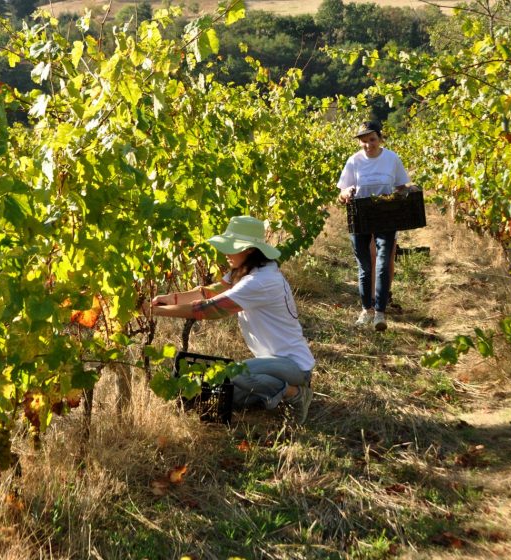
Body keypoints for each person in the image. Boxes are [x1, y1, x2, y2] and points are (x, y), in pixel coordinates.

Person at [146, 216, 314, 424]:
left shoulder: (260, 281)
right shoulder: (247, 271)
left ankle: (296, 394)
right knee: (232, 396)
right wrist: (171, 298)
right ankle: (272, 391)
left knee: (232, 374)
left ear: (250, 249)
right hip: (272, 362)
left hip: (294, 366)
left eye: (232, 246)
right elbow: (209, 293)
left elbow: (210, 310)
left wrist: (156, 312)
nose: (225, 252)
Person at [337, 120, 414, 331]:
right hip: (360, 215)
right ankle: (366, 310)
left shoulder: (391, 159)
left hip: (386, 214)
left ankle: (380, 313)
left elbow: (400, 186)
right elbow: (342, 193)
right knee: (364, 265)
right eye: (363, 141)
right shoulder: (353, 161)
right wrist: (346, 194)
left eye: (371, 139)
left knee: (382, 261)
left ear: (380, 138)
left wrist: (407, 189)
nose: (368, 144)